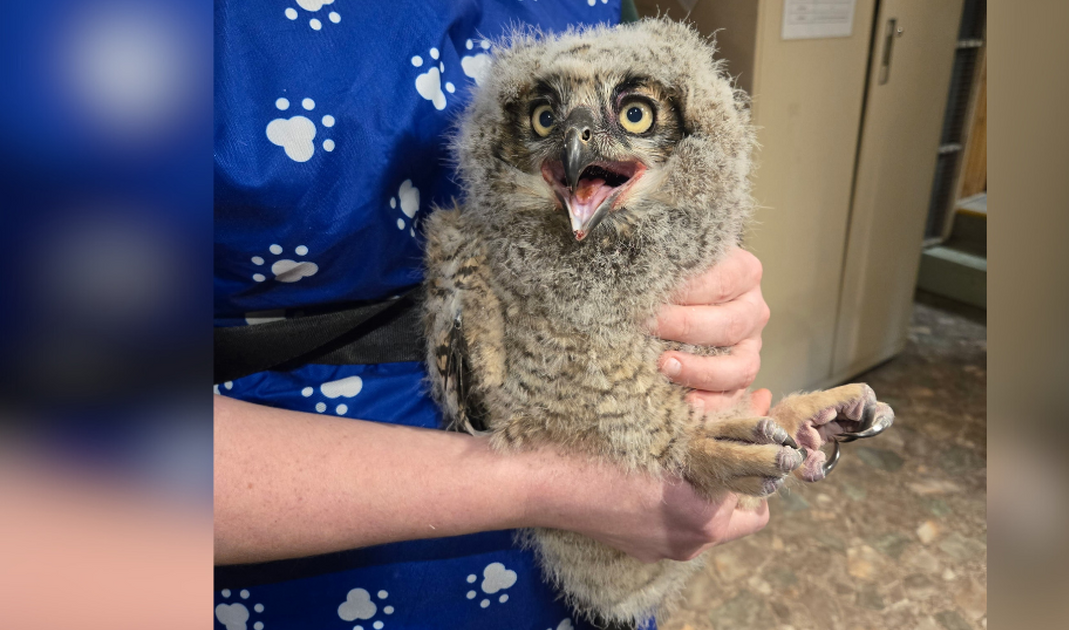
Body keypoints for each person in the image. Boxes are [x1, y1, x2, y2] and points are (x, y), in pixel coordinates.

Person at [214, 2, 772, 629]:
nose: (577, 139)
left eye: (632, 114)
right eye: (543, 117)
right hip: (312, 543)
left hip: (612, 530)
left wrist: (712, 299)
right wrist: (559, 487)